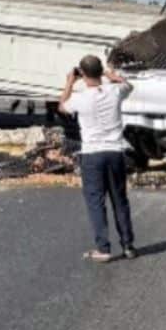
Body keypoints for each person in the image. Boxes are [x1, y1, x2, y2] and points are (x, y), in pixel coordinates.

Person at [59, 55, 136, 263]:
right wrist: (109, 74)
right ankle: (128, 245)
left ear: (82, 75)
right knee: (119, 200)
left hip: (92, 154)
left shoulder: (80, 98)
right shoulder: (115, 91)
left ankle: (103, 248)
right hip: (115, 152)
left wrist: (69, 82)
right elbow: (128, 85)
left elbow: (62, 106)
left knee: (96, 201)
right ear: (100, 71)